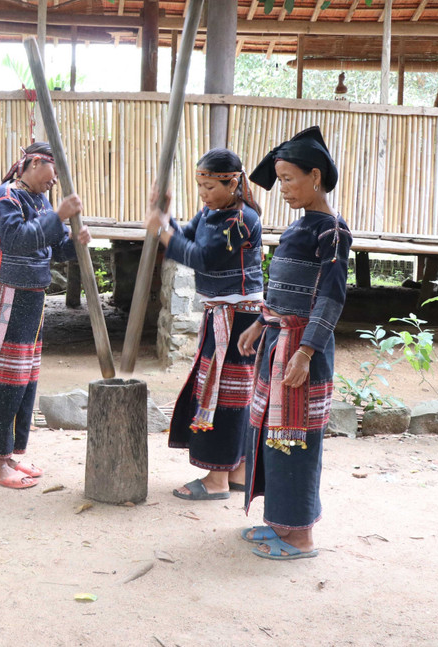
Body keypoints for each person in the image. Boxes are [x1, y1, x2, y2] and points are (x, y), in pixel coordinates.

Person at [237, 126, 352, 560]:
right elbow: (283, 290)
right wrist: (259, 324)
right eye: (280, 179)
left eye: (288, 179)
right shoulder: (300, 226)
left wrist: (306, 352)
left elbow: (330, 298)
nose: (282, 188)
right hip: (278, 341)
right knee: (273, 434)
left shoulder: (332, 232)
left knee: (296, 438)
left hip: (303, 349)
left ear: (315, 176)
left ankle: (300, 537)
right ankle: (280, 523)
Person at [0, 142, 90, 489]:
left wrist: (76, 242)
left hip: (31, 298)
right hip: (6, 295)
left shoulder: (40, 201)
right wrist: (58, 216)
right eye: (53, 171)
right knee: (3, 379)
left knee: (24, 380)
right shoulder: (5, 197)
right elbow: (17, 239)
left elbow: (54, 248)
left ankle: (8, 454)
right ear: (35, 162)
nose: (55, 180)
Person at [145, 148, 264, 501]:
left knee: (224, 392)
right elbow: (186, 235)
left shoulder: (241, 220)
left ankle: (216, 479)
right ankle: (237, 470)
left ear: (233, 183)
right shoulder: (212, 213)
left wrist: (162, 233)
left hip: (239, 319)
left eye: (210, 187)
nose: (204, 194)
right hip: (225, 314)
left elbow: (203, 257)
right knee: (231, 391)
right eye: (200, 187)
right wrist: (166, 218)